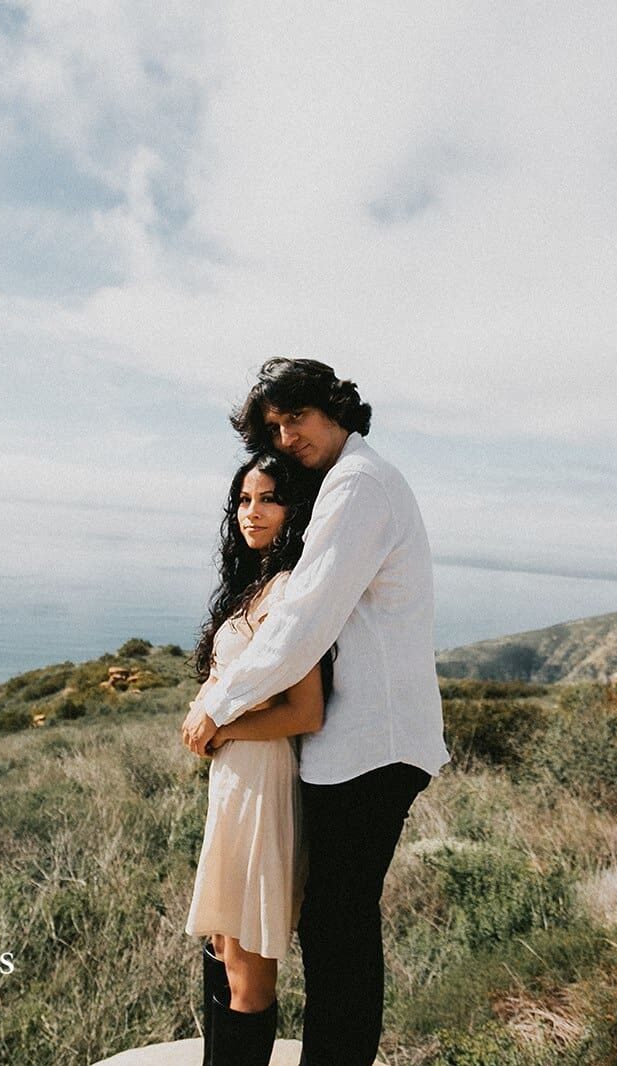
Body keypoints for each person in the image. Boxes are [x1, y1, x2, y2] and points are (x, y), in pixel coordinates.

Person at [182, 358, 450, 1066]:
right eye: (274, 425)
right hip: (359, 746)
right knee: (330, 926)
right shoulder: (350, 483)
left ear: (336, 408)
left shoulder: (359, 484)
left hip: (374, 744)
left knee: (338, 929)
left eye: (296, 416)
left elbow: (306, 617)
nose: (287, 434)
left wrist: (217, 706)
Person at [185, 450, 334, 1066]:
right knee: (223, 950)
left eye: (268, 498)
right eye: (244, 500)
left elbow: (307, 711)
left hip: (261, 781)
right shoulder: (257, 585)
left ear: (295, 507)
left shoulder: (295, 591)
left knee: (248, 977)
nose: (252, 512)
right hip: (232, 782)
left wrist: (226, 726)